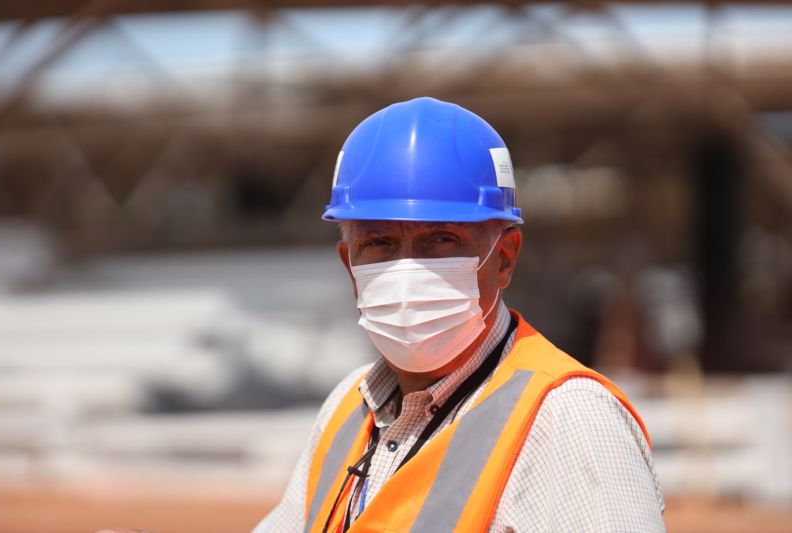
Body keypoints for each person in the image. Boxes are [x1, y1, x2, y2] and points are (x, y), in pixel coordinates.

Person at [254, 97, 665, 532]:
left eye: (441, 238)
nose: (407, 269)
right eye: (379, 243)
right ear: (349, 266)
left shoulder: (568, 420)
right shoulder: (345, 410)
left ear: (504, 258)